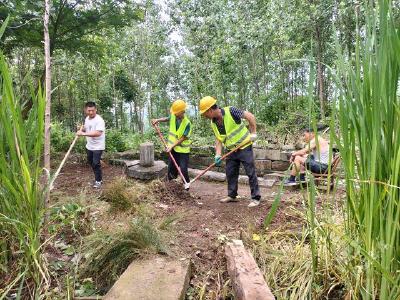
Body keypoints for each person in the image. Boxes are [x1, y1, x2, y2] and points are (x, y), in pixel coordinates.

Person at [199, 96, 261, 207]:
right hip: (231, 150)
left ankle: (255, 198)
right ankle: (232, 195)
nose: (205, 116)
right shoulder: (213, 123)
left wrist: (253, 132)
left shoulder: (231, 111)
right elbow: (219, 139)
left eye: (205, 113)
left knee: (250, 172)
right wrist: (218, 154)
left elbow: (250, 116)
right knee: (230, 172)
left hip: (244, 146)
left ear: (210, 110)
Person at [151, 99, 192, 185]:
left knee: (183, 169)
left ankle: (186, 184)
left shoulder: (187, 123)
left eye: (176, 112)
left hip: (183, 151)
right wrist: (157, 120)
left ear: (182, 111)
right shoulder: (174, 116)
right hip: (173, 149)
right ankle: (170, 184)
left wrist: (171, 146)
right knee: (171, 167)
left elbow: (183, 138)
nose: (174, 114)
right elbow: (167, 118)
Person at [77, 101, 106, 188]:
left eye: (92, 110)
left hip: (98, 146)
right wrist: (81, 129)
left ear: (96, 110)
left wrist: (83, 134)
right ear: (86, 110)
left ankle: (98, 181)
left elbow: (98, 133)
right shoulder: (87, 119)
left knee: (96, 163)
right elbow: (87, 128)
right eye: (89, 110)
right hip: (89, 145)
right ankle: (98, 175)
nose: (91, 112)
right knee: (91, 162)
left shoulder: (99, 120)